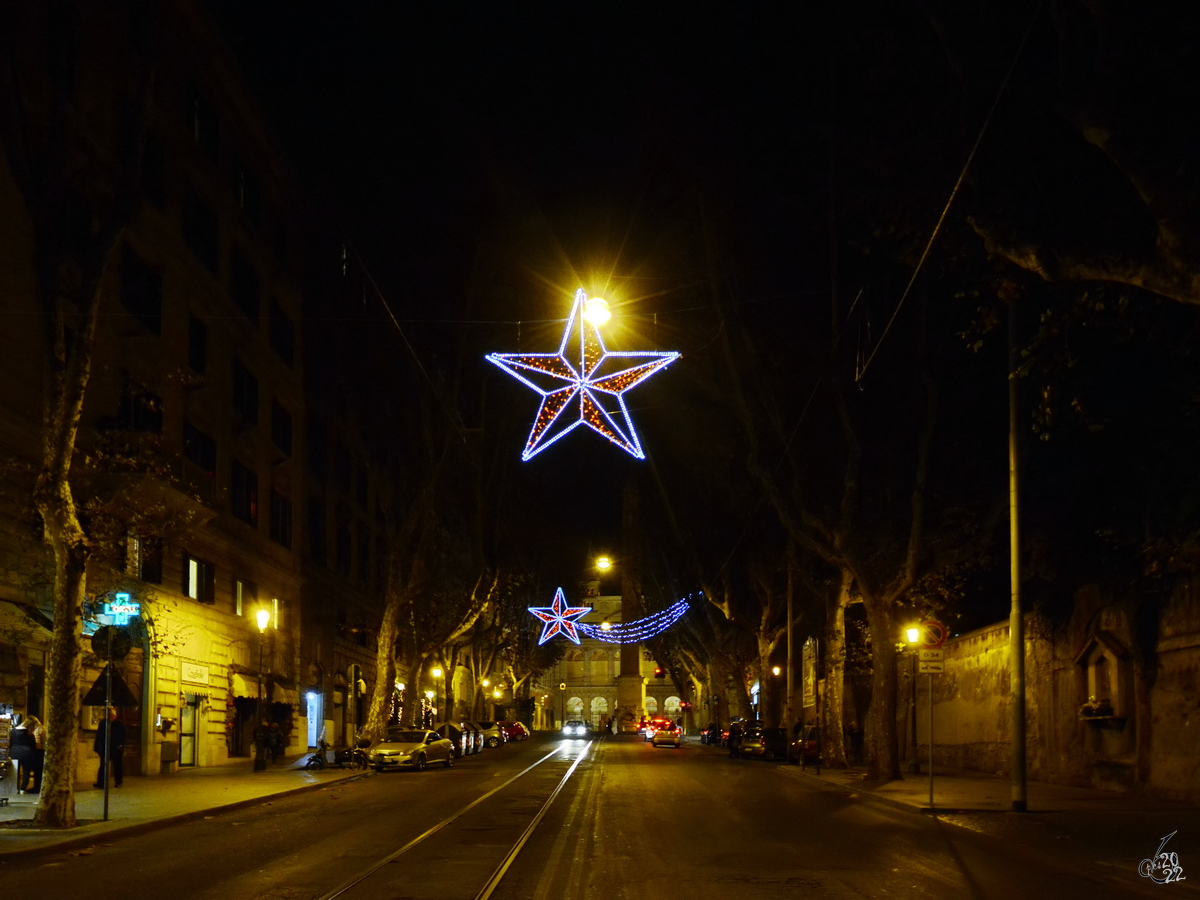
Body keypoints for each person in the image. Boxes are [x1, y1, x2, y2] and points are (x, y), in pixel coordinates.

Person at [93, 707, 126, 788]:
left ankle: (118, 782)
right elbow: (99, 736)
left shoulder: (119, 724)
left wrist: (120, 745)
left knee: (117, 765)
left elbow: (123, 736)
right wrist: (97, 747)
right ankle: (101, 783)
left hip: (116, 748)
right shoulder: (103, 723)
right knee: (103, 766)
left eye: (110, 714)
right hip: (105, 747)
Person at [10, 714, 35, 794]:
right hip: (27, 753)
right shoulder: (29, 733)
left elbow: (11, 742)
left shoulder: (13, 731)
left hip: (15, 752)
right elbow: (33, 745)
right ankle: (23, 788)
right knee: (26, 771)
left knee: (15, 771)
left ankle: (15, 788)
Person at [25, 715, 45, 793]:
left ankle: (37, 788)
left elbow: (37, 744)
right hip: (42, 752)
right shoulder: (42, 728)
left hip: (39, 752)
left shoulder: (37, 730)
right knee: (39, 771)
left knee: (37, 771)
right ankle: (38, 787)